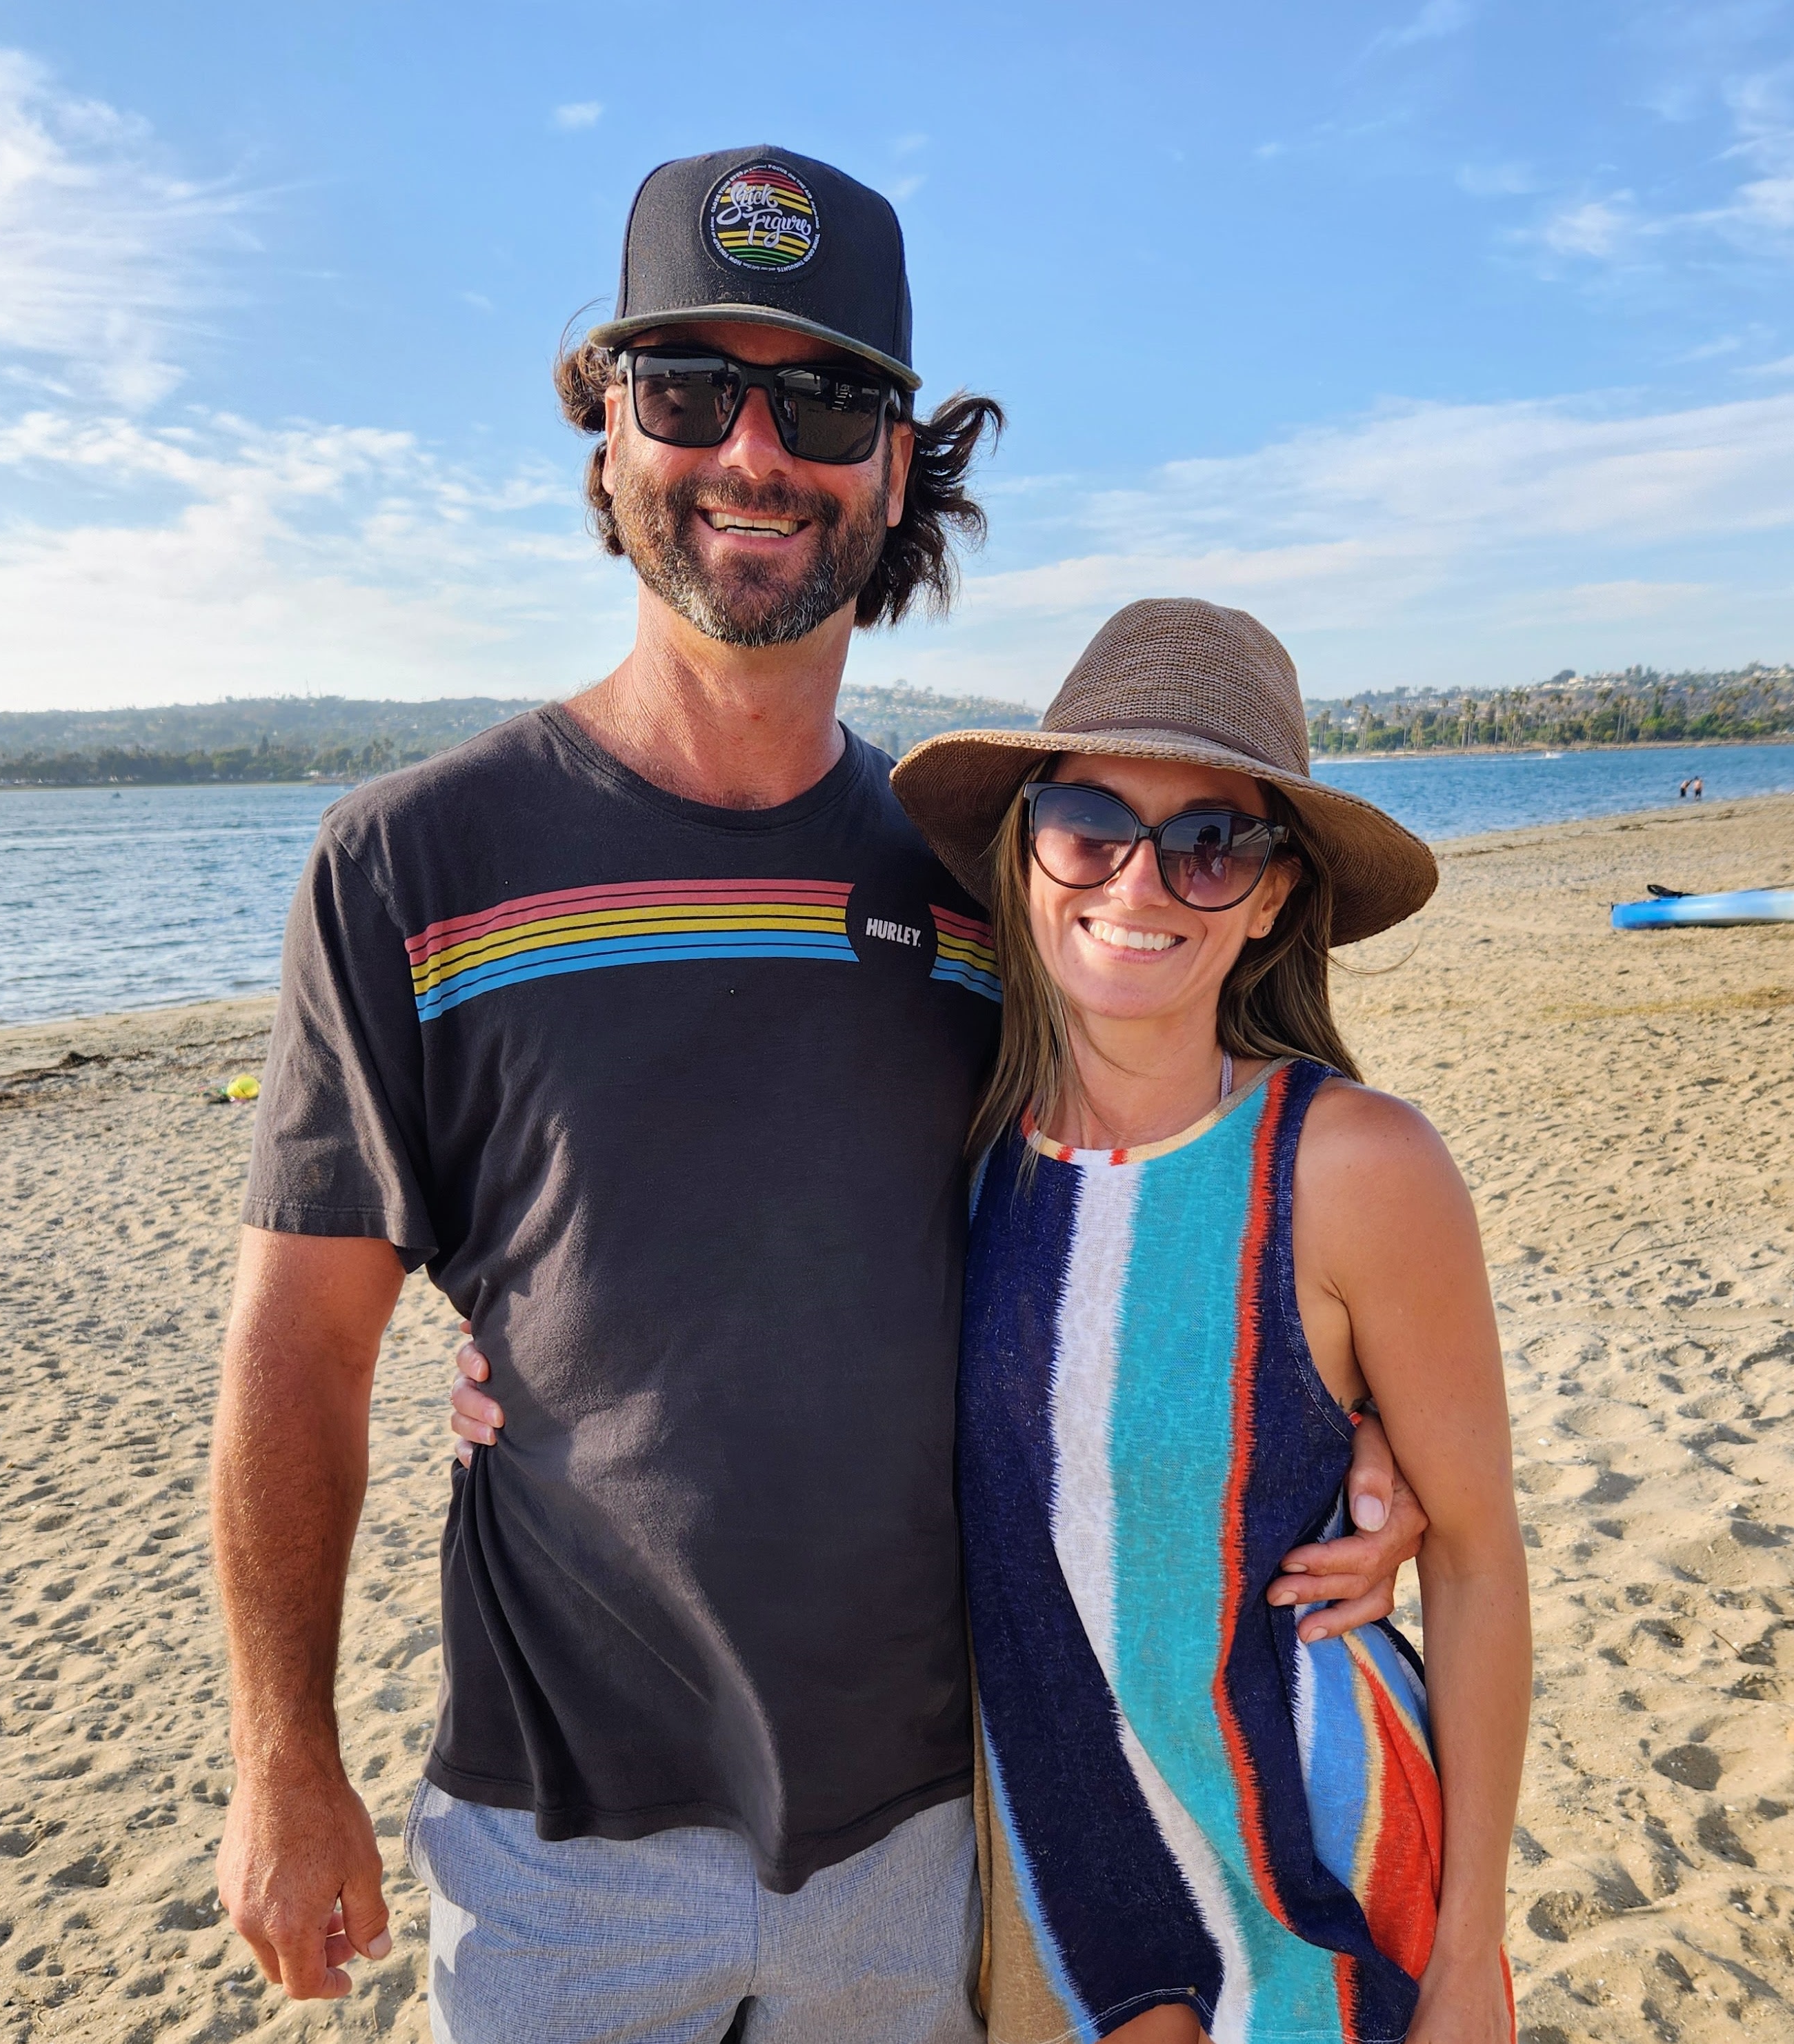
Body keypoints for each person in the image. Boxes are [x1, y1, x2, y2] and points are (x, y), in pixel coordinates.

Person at [217, 148, 1422, 2044]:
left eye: (830, 404)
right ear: (610, 429)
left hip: (935, 1819)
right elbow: (299, 1346)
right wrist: (284, 1755)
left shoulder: (992, 891)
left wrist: (1362, 1432)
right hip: (558, 1844)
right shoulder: (408, 865)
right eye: (691, 389)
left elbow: (1187, 1188)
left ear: (900, 466)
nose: (754, 453)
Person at [887, 599, 1530, 2043]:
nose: (1141, 879)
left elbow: (1481, 1558)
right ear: (1029, 848)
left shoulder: (1356, 1166)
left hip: (1325, 1875)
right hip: (1058, 1887)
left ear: (1274, 895)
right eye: (1090, 824)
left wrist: (1472, 1957)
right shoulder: (960, 1148)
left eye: (1210, 843)